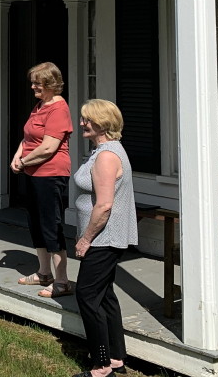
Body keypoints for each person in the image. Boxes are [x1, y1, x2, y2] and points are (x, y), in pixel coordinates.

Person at [72, 100, 138, 377]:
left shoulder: (107, 156)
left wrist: (85, 239)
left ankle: (100, 365)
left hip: (103, 238)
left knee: (87, 295)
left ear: (102, 123)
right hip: (106, 237)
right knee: (104, 295)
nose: (82, 123)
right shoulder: (103, 151)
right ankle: (116, 358)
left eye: (87, 119)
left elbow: (104, 205)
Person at [10, 61, 75, 298]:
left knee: (51, 224)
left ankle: (62, 281)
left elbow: (49, 148)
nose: (33, 87)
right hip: (33, 172)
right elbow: (28, 138)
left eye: (37, 83)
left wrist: (24, 161)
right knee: (35, 222)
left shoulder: (59, 109)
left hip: (51, 173)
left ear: (50, 84)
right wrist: (18, 156)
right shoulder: (40, 106)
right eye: (33, 83)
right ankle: (44, 272)